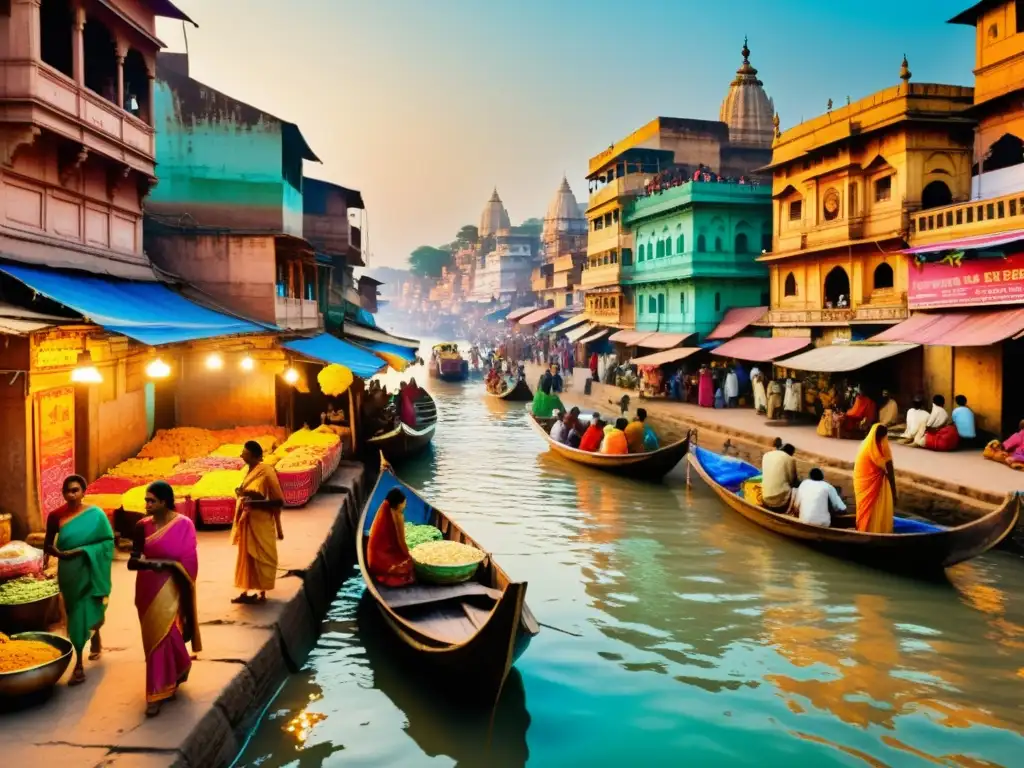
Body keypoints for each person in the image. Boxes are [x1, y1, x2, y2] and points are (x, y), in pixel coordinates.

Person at [128, 481, 201, 717]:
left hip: (172, 586)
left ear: (164, 502)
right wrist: (159, 564)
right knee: (153, 641)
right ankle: (176, 670)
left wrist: (172, 570)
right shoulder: (141, 526)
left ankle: (156, 693)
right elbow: (132, 561)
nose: (147, 505)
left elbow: (190, 561)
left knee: (168, 636)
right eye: (146, 500)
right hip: (147, 589)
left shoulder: (184, 525)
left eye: (152, 501)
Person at [43, 474, 115, 686]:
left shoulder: (95, 514)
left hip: (89, 567)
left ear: (84, 492)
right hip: (69, 572)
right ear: (63, 493)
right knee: (74, 611)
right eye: (68, 491)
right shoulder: (56, 516)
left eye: (76, 490)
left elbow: (107, 541)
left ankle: (79, 666)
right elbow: (47, 544)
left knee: (84, 611)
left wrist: (81, 551)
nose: (72, 494)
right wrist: (58, 554)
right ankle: (95, 635)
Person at [231, 441, 285, 604]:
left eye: (244, 452)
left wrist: (254, 502)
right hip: (247, 521)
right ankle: (245, 591)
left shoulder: (267, 471)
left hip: (261, 522)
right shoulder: (247, 471)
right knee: (246, 557)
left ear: (253, 455)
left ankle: (262, 593)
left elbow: (278, 501)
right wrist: (242, 494)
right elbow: (248, 492)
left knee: (263, 556)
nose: (241, 455)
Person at [367, 487, 415, 587]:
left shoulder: (384, 507)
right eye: (403, 504)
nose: (404, 506)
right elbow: (401, 541)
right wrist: (410, 556)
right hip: (381, 562)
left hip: (372, 559)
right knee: (411, 565)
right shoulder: (397, 515)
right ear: (397, 505)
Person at [854, 424, 897, 533]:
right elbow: (890, 471)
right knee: (872, 507)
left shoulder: (866, 444)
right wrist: (894, 493)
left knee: (867, 508)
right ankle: (873, 530)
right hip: (867, 484)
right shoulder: (873, 448)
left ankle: (866, 529)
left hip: (864, 483)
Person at [761, 443, 798, 513]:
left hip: (765, 496)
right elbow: (793, 481)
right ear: (791, 453)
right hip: (780, 502)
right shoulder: (790, 459)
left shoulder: (766, 455)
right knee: (798, 488)